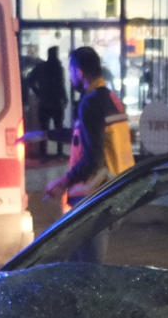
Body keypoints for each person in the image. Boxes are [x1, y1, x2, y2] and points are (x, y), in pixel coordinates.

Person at [43, 46, 134, 209]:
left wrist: (64, 181)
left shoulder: (90, 103)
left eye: (71, 72)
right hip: (120, 185)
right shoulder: (111, 99)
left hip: (98, 192)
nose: (70, 77)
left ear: (79, 72)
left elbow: (93, 158)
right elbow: (85, 136)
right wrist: (47, 134)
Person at [25, 46, 68, 157]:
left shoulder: (42, 67)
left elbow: (30, 80)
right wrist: (64, 98)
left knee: (44, 129)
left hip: (45, 102)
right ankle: (58, 153)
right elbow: (60, 86)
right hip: (55, 102)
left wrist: (39, 93)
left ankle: (44, 153)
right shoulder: (57, 68)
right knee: (58, 128)